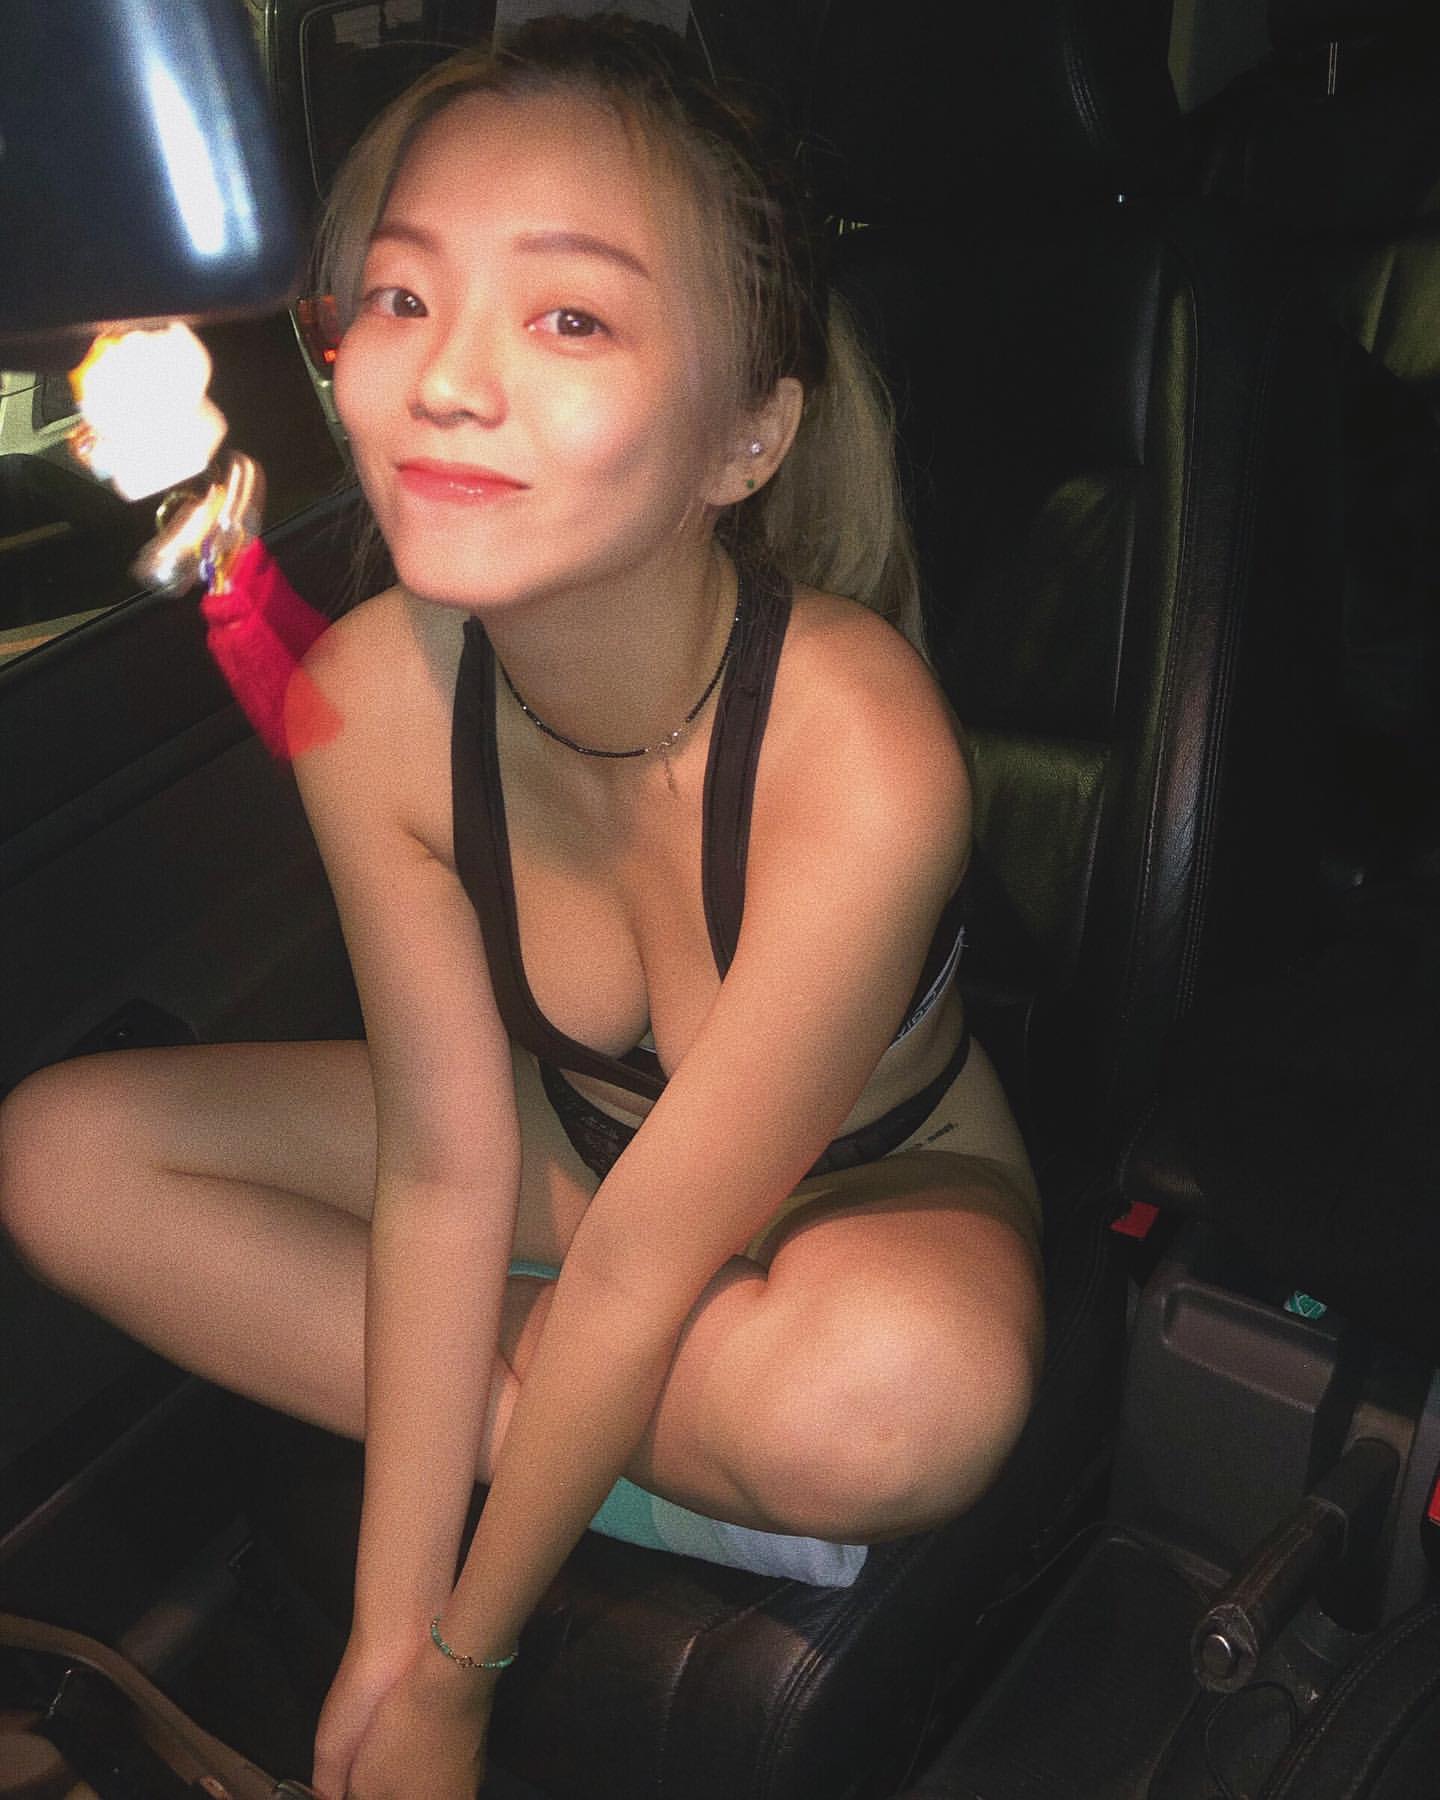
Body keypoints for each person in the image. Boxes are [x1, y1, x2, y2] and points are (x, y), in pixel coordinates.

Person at [0, 16, 1043, 1797]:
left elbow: (639, 1265)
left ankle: (589, 1423)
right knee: (58, 1154)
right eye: (403, 299)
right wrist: (381, 1640)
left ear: (747, 436)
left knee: (898, 1394)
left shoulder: (863, 748)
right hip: (566, 1157)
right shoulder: (367, 707)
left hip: (870, 1192)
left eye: (570, 319)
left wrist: (459, 1671)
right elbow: (444, 1168)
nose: (450, 380)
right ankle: (605, 1435)